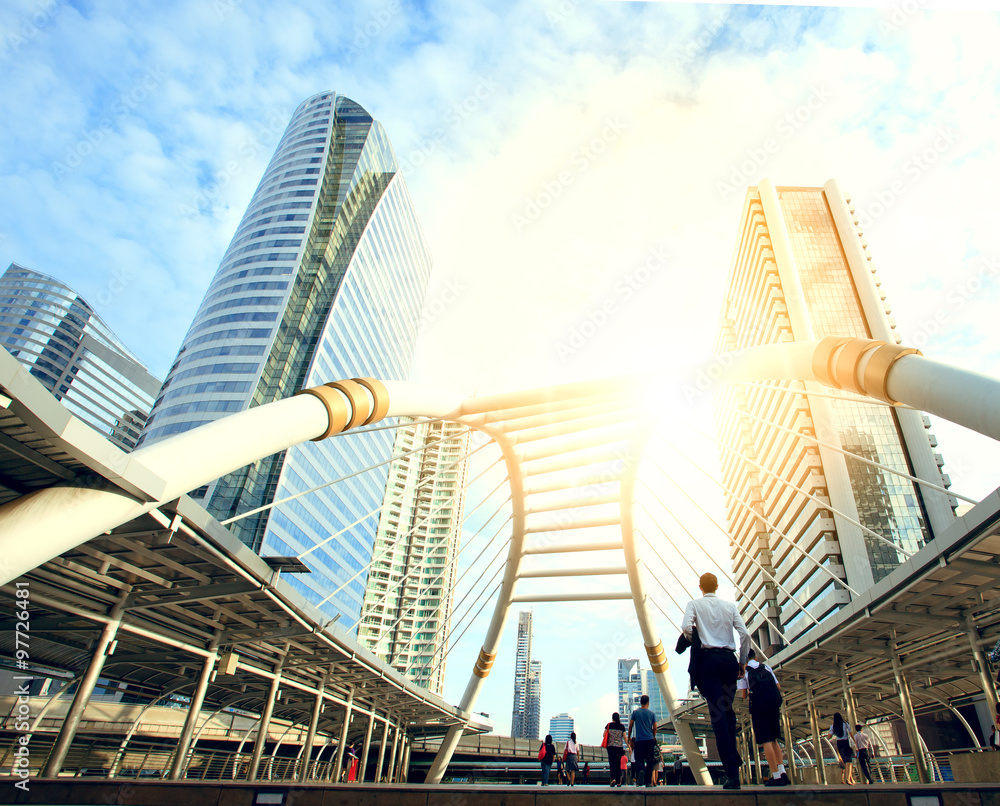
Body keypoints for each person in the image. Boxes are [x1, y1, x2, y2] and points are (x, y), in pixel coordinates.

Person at [682, 572, 751, 790]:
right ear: (717, 586)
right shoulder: (730, 606)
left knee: (718, 716)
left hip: (708, 662)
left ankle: (732, 771)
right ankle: (735, 763)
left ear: (700, 587)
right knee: (728, 713)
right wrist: (742, 662)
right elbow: (745, 635)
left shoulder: (693, 604)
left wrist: (699, 641)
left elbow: (685, 628)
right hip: (729, 661)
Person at [737, 649, 790, 787]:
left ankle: (776, 776)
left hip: (759, 709)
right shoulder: (766, 667)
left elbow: (744, 695)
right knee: (774, 740)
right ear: (756, 656)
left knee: (766, 741)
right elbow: (778, 686)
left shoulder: (745, 672)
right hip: (773, 707)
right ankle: (782, 772)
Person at [628, 693, 658, 787]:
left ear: (640, 702)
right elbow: (655, 727)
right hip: (649, 740)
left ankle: (640, 775)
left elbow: (631, 725)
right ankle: (648, 782)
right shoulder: (652, 714)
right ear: (648, 703)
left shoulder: (635, 713)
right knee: (649, 761)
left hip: (639, 740)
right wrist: (653, 737)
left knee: (639, 760)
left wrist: (629, 737)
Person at [827, 712, 855, 785]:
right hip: (846, 742)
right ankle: (848, 779)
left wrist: (830, 732)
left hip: (839, 744)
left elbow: (829, 736)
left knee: (846, 762)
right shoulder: (845, 724)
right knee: (849, 761)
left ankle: (850, 779)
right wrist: (855, 741)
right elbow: (851, 733)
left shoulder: (833, 726)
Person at [604, 712, 627, 786]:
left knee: (612, 763)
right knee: (618, 764)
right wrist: (629, 746)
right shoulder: (622, 726)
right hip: (619, 748)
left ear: (612, 718)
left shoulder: (609, 725)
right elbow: (625, 737)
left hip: (611, 747)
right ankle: (618, 781)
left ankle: (613, 779)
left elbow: (604, 735)